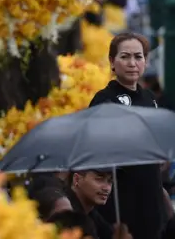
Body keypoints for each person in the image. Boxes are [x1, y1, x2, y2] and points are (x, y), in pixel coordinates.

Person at [89, 32, 168, 239]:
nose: (132, 63)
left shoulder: (150, 98)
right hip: (120, 199)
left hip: (151, 196)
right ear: (112, 62)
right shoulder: (104, 100)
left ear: (146, 61)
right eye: (125, 57)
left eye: (138, 57)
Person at [66, 169, 117, 239]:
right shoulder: (65, 216)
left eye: (110, 181)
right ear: (77, 179)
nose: (107, 188)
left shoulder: (94, 217)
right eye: (99, 179)